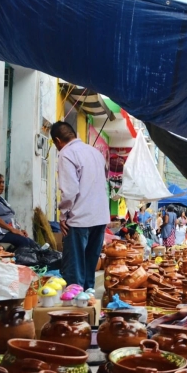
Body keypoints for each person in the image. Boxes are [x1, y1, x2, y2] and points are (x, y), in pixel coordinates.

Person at [51, 121, 110, 290]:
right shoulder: (95, 152)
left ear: (58, 140)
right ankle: (89, 303)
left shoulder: (66, 153)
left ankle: (76, 308)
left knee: (75, 269)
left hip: (79, 218)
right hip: (99, 217)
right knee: (90, 265)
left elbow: (69, 191)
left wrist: (63, 215)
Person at [0, 173, 37, 248]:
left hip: (6, 232)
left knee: (33, 244)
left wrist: (18, 230)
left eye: (3, 182)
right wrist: (12, 230)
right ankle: (22, 259)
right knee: (24, 242)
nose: (2, 185)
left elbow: (8, 218)